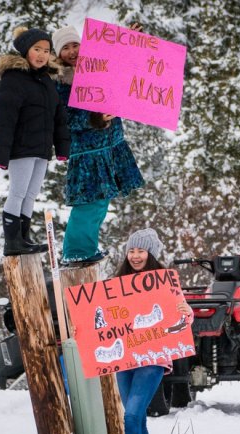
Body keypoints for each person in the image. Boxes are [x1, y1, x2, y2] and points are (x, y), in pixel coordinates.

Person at [52, 24, 145, 266]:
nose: (72, 52)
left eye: (75, 45)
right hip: (88, 152)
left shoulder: (98, 67)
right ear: (57, 53)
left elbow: (125, 66)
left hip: (110, 146)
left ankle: (86, 248)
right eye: (66, 48)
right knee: (90, 203)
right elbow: (63, 118)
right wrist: (93, 118)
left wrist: (130, 39)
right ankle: (77, 252)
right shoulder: (58, 81)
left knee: (101, 202)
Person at [114, 228, 193, 434]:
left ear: (151, 254)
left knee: (131, 415)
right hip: (125, 357)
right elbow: (103, 318)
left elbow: (184, 318)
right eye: (131, 251)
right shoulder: (116, 283)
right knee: (136, 416)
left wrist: (187, 312)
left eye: (141, 251)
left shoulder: (165, 282)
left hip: (153, 358)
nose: (135, 256)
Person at [0, 26, 70, 256]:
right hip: (21, 148)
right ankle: (12, 241)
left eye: (46, 50)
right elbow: (4, 119)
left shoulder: (46, 81)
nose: (42, 55)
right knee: (17, 192)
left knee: (31, 194)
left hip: (41, 150)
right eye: (37, 49)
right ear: (26, 50)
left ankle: (23, 238)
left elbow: (58, 117)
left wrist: (62, 148)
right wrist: (1, 154)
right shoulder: (13, 79)